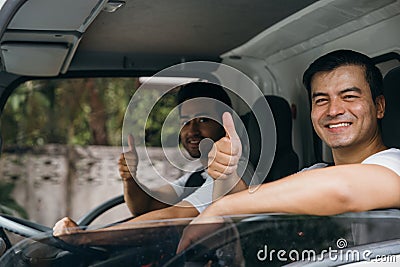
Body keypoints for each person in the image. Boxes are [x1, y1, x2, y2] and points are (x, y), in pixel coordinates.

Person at [177, 49, 400, 252]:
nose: (333, 110)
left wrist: (222, 208)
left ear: (379, 106)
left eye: (349, 96)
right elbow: (246, 217)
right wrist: (226, 173)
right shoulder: (315, 173)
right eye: (321, 100)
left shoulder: (393, 164)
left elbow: (344, 189)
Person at [53, 82, 253, 235]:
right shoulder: (198, 175)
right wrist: (130, 178)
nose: (192, 130)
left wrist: (87, 237)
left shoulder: (236, 171)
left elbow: (175, 217)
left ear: (226, 125)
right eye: (185, 122)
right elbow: (146, 206)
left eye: (203, 120)